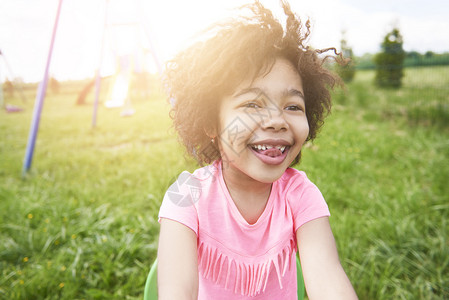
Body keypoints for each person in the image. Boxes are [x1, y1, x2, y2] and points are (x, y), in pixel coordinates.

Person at [157, 1, 358, 299]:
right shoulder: (185, 193)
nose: (276, 121)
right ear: (211, 122)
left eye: (292, 106)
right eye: (252, 104)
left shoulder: (301, 195)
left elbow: (328, 281)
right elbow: (176, 290)